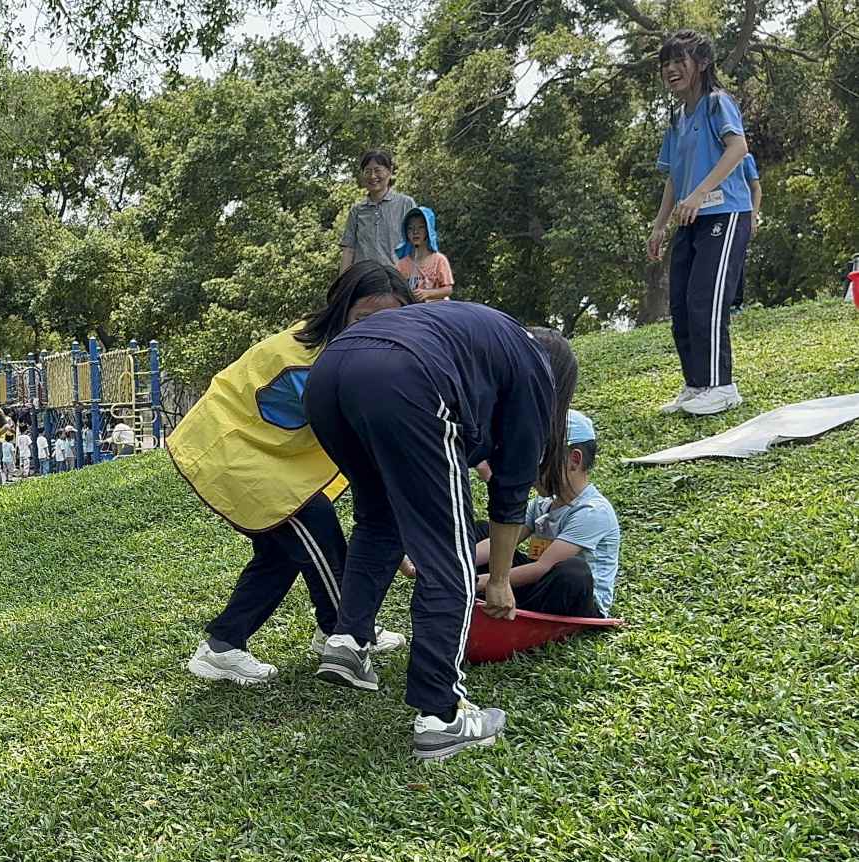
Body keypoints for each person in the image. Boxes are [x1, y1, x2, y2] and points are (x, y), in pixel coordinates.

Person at [304, 299, 578, 762]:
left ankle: (348, 641)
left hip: (328, 378)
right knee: (447, 554)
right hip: (407, 380)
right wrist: (498, 581)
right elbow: (511, 492)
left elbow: (465, 430)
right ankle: (442, 716)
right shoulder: (535, 372)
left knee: (379, 515)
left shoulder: (486, 338)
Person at [173, 264, 410, 686]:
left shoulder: (335, 347)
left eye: (390, 319)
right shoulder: (314, 361)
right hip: (235, 450)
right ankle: (344, 632)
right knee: (316, 532)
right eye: (364, 319)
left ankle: (223, 646)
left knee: (280, 552)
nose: (377, 330)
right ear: (341, 309)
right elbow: (355, 434)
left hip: (263, 454)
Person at [647, 29, 752, 417]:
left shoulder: (716, 103)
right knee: (682, 301)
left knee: (705, 299)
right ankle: (696, 385)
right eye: (666, 64)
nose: (671, 70)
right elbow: (674, 175)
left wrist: (698, 194)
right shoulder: (677, 119)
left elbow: (738, 148)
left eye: (680, 61)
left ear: (702, 63)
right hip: (690, 219)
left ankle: (722, 387)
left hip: (725, 214)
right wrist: (659, 224)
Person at [472, 410, 618, 619]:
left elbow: (543, 567)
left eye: (537, 464)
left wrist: (480, 581)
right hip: (538, 586)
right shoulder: (542, 503)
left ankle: (505, 602)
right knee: (485, 532)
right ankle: (510, 603)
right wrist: (457, 563)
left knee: (573, 573)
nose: (529, 473)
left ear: (574, 460)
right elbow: (505, 541)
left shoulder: (593, 512)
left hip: (568, 595)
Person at [340, 150, 417, 272]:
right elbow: (349, 250)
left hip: (397, 280)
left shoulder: (406, 204)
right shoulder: (357, 210)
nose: (372, 176)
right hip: (364, 280)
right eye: (367, 171)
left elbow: (417, 244)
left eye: (377, 170)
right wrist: (342, 285)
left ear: (390, 171)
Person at [394, 207, 454, 302]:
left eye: (420, 227)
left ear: (428, 230)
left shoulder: (439, 260)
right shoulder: (401, 265)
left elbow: (448, 290)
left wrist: (427, 293)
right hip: (412, 312)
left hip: (435, 312)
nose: (415, 232)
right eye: (410, 228)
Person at [733, 154, 762, 312]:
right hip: (718, 213)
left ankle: (735, 303)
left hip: (741, 213)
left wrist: (753, 217)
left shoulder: (744, 158)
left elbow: (756, 188)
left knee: (737, 258)